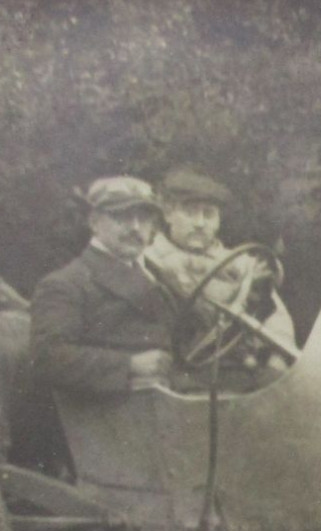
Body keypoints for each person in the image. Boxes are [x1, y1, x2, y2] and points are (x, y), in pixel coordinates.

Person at [143, 167, 296, 382]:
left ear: (218, 220)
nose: (200, 223)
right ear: (168, 214)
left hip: (245, 374)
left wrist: (276, 361)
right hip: (184, 377)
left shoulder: (241, 263)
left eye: (208, 214)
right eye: (190, 212)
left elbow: (276, 316)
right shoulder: (148, 261)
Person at [30, 175, 178, 397]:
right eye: (122, 216)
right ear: (95, 222)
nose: (135, 227)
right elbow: (48, 358)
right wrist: (130, 364)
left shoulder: (157, 275)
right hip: (111, 410)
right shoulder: (66, 284)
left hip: (169, 397)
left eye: (144, 217)